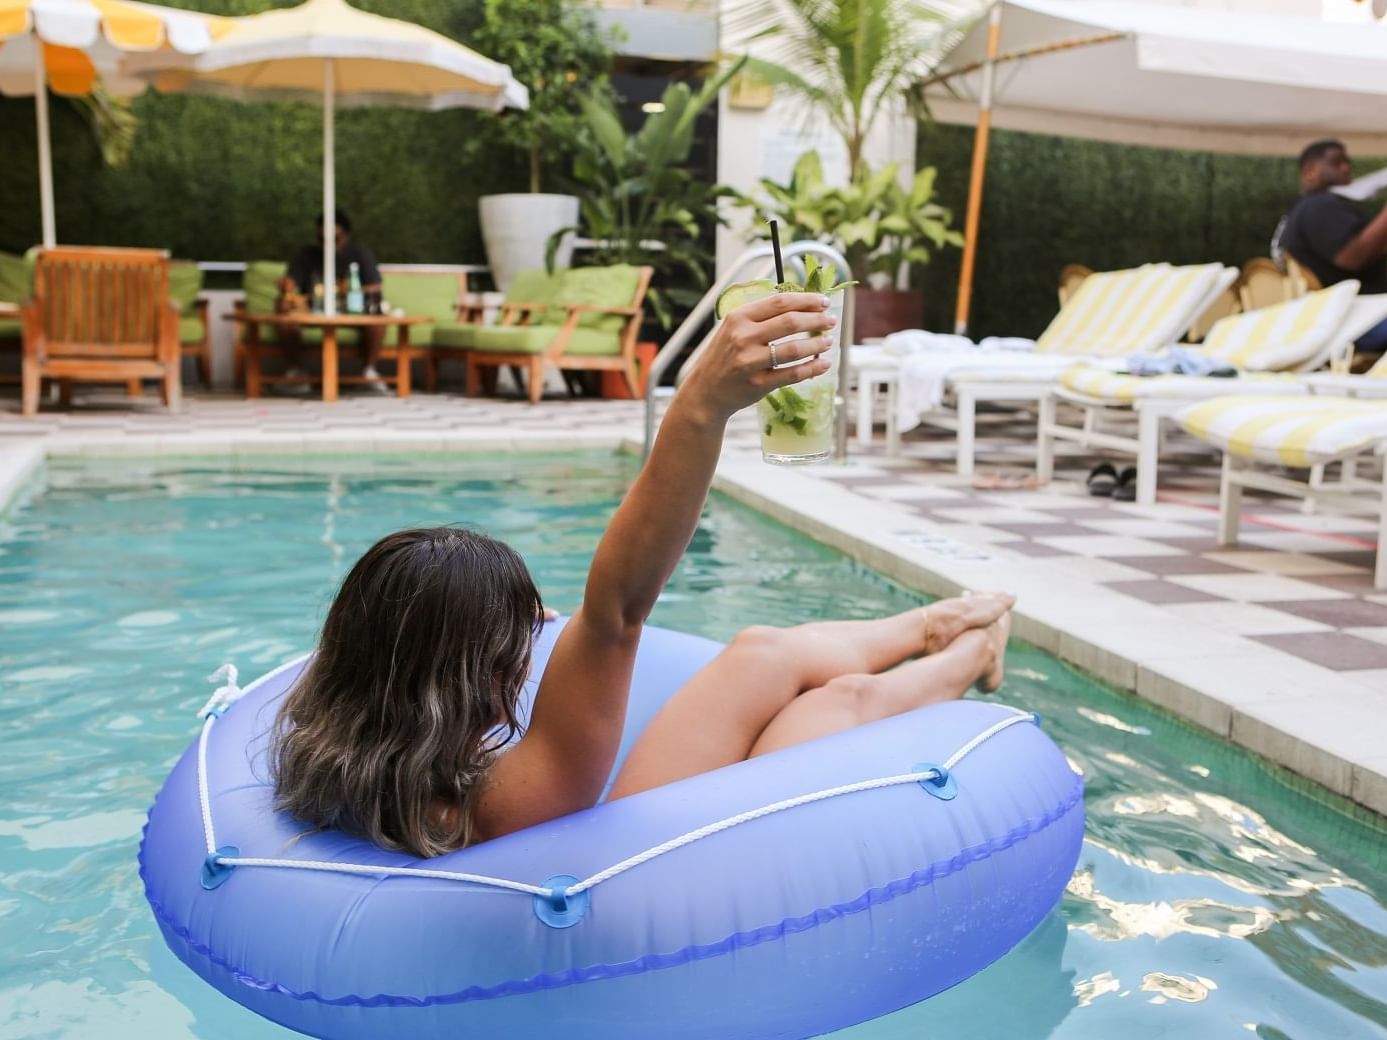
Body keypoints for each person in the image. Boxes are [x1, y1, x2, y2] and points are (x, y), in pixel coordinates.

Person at [270, 290, 1016, 857]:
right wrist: (700, 404)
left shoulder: (323, 756)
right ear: (465, 677)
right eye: (513, 644)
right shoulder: (497, 802)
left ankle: (930, 622)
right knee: (833, 705)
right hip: (644, 871)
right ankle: (971, 653)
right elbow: (617, 609)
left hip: (603, 828)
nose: (529, 650)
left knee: (762, 650)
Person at [1277, 139, 1387, 355]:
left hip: (1335, 319)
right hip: (1360, 321)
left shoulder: (1300, 210)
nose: (1346, 168)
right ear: (1310, 170)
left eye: (1347, 162)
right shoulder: (1319, 206)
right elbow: (1353, 256)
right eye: (1336, 162)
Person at [279, 209, 388, 391]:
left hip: (353, 311)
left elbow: (376, 286)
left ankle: (368, 371)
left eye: (335, 239)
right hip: (312, 312)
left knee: (379, 320)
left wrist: (354, 289)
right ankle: (297, 372)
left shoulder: (359, 253)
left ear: (346, 235)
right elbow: (292, 283)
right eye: (323, 239)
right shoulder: (306, 255)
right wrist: (286, 286)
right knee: (282, 310)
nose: (328, 244)